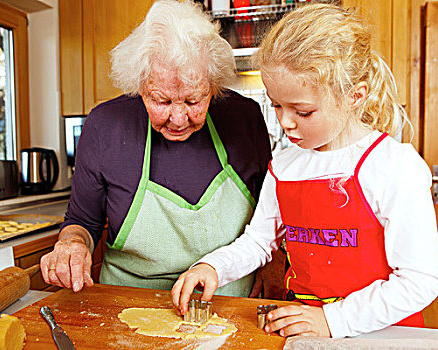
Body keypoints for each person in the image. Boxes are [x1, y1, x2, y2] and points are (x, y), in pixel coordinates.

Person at [171, 3, 438, 338]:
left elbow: (419, 281)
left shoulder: (393, 167)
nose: (285, 122)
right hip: (303, 330)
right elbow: (259, 241)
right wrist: (214, 266)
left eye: (303, 111)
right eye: (277, 106)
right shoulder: (285, 166)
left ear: (355, 96)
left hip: (382, 335)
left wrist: (331, 320)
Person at [40, 0, 271, 296]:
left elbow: (273, 215)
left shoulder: (244, 118)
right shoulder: (105, 125)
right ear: (138, 85)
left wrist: (272, 267)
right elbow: (83, 221)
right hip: (127, 302)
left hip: (228, 301)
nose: (177, 119)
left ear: (213, 85)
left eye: (193, 100)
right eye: (161, 101)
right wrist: (72, 243)